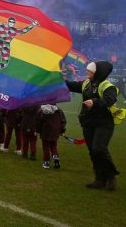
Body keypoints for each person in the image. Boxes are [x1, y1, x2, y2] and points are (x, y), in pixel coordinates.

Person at [66, 61, 120, 190]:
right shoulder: (86, 83)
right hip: (89, 122)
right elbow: (71, 86)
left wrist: (95, 102)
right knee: (93, 152)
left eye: (89, 70)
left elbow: (110, 99)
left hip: (104, 123)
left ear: (97, 73)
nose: (87, 72)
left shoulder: (107, 86)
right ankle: (99, 179)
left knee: (99, 149)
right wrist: (56, 78)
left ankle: (110, 176)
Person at [36, 104, 66, 169]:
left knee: (45, 147)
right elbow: (63, 121)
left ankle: (46, 163)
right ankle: (56, 159)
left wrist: (37, 130)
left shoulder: (42, 109)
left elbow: (38, 121)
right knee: (53, 146)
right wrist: (62, 130)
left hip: (45, 130)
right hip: (55, 131)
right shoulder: (59, 110)